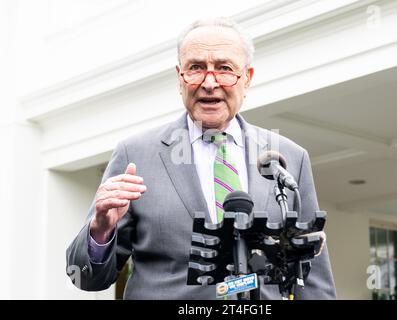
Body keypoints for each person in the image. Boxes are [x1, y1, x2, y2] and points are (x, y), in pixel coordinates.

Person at [66, 17, 336, 300]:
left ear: (247, 78)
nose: (209, 82)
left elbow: (314, 280)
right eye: (196, 68)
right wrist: (100, 230)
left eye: (224, 68)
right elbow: (85, 277)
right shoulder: (136, 155)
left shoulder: (290, 159)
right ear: (179, 77)